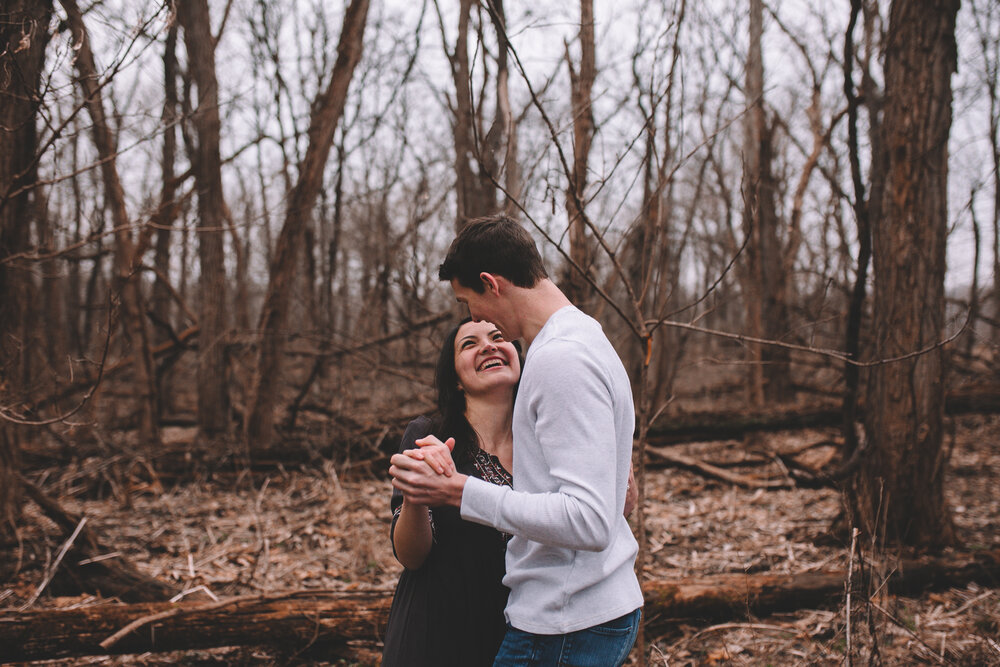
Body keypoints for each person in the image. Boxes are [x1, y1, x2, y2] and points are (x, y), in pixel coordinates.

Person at [390, 214, 643, 666]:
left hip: (564, 621)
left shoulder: (559, 358)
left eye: (469, 302)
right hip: (566, 611)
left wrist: (460, 490)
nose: (477, 319)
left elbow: (589, 520)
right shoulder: (586, 337)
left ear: (492, 284)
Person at [381, 317, 520, 666]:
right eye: (469, 343)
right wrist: (417, 495)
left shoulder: (543, 443)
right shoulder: (430, 435)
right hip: (434, 635)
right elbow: (411, 556)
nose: (488, 345)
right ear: (456, 380)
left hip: (515, 635)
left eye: (498, 336)